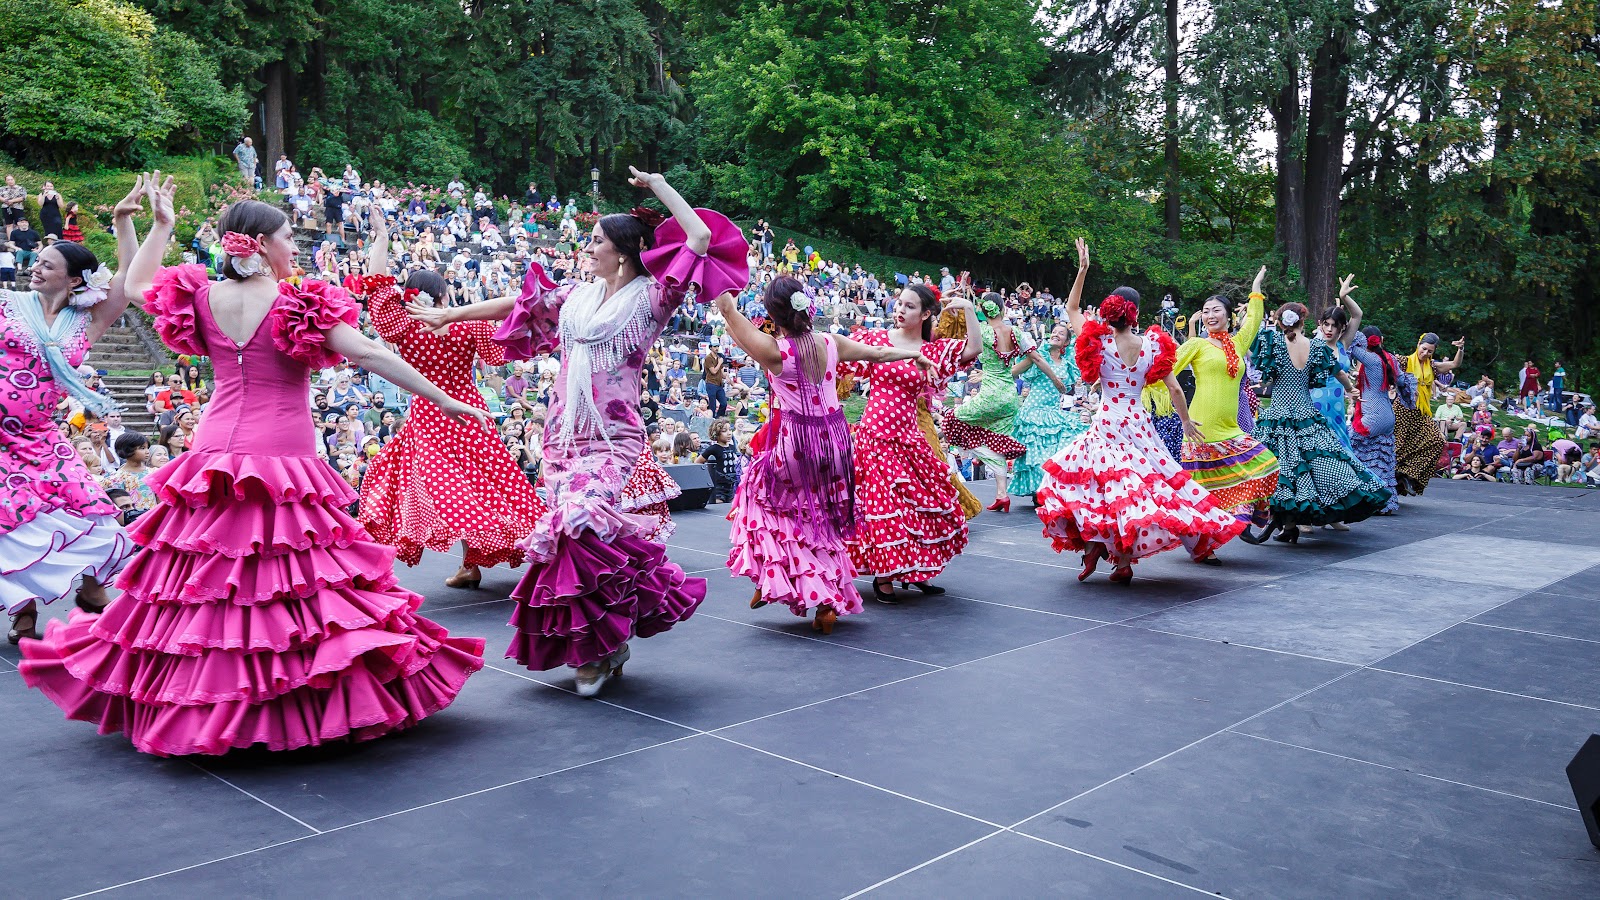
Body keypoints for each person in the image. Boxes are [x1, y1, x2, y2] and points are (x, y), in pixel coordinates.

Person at [20, 181, 488, 756]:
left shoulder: (202, 296)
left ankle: (209, 699)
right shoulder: (300, 302)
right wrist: (443, 398)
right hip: (281, 453)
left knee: (210, 582)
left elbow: (137, 285)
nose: (295, 246)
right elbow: (368, 353)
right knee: (291, 580)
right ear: (263, 244)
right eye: (289, 237)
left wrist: (157, 227)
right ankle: (288, 700)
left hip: (214, 450)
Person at [408, 167, 747, 698]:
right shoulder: (576, 295)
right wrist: (451, 314)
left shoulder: (654, 298)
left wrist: (658, 185)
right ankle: (606, 644)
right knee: (579, 541)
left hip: (614, 438)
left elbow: (700, 237)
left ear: (626, 251)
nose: (588, 248)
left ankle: (592, 652)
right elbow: (517, 305)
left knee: (578, 522)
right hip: (562, 438)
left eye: (596, 240)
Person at [717, 277, 936, 631]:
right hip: (835, 442)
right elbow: (879, 354)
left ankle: (772, 576)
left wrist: (713, 273)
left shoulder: (775, 351)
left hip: (797, 443)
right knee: (822, 518)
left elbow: (728, 312)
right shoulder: (831, 342)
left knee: (757, 496)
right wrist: (914, 355)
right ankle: (825, 606)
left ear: (774, 313)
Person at [355, 207, 546, 587]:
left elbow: (376, 286)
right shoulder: (468, 322)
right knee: (488, 484)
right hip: (470, 410)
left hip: (429, 413)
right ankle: (523, 548)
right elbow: (498, 354)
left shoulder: (403, 326)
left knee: (446, 488)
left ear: (410, 295)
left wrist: (382, 237)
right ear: (444, 294)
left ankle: (466, 565)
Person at [1035, 243, 1244, 584]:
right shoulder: (1152, 345)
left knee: (1101, 488)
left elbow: (1071, 307)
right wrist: (1186, 421)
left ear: (1109, 311)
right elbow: (1176, 389)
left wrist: (1083, 269)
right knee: (1134, 491)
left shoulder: (1099, 342)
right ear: (1135, 313)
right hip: (1138, 425)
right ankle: (1121, 560)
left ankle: (1096, 546)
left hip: (1107, 424)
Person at [0, 178, 146, 643]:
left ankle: (90, 588)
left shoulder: (86, 321)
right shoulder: (6, 304)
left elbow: (130, 278)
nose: (36, 268)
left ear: (75, 278)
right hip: (0, 440)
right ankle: (22, 610)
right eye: (37, 262)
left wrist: (122, 221)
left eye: (48, 265)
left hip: (42, 436)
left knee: (88, 510)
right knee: (11, 521)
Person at [840, 283, 981, 603]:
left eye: (910, 306)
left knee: (922, 504)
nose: (900, 310)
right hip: (875, 437)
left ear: (926, 314)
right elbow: (840, 355)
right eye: (899, 303)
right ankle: (884, 577)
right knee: (884, 507)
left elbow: (973, 349)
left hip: (909, 437)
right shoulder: (876, 339)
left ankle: (917, 569)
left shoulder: (933, 350)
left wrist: (969, 309)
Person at [1246, 302, 1392, 543]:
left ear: (1280, 322)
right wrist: (1351, 389)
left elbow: (1252, 353)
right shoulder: (1315, 346)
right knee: (1314, 466)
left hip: (1279, 416)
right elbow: (1338, 372)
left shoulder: (1275, 343)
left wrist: (1255, 297)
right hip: (1306, 416)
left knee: (1282, 469)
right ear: (1304, 321)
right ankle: (1290, 525)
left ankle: (1287, 524)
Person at [1171, 268, 1280, 527]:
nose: (1210, 315)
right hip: (1202, 428)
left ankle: (1240, 514)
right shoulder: (1197, 344)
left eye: (1216, 310)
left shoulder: (1237, 344)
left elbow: (1253, 320)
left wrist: (1256, 288)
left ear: (1229, 316)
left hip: (1230, 428)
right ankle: (1210, 535)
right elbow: (1165, 370)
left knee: (1267, 464)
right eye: (1206, 311)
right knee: (1202, 494)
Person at [940, 290, 1039, 511]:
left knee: (951, 421)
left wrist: (952, 304)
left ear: (983, 311)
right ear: (1002, 309)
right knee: (997, 441)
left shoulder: (983, 331)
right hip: (1010, 396)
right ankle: (1002, 494)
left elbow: (956, 336)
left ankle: (983, 455)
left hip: (990, 395)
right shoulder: (1015, 331)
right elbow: (1033, 359)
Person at [1009, 322, 1083, 502]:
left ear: (1066, 342)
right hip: (1034, 412)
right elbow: (1019, 372)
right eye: (1054, 331)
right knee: (1036, 456)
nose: (1056, 334)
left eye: (1061, 333)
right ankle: (1039, 492)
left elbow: (1068, 386)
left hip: (1053, 413)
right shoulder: (1039, 356)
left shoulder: (1067, 364)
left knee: (1061, 451)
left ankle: (1052, 489)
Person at [1348, 326, 1405, 513]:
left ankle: (1358, 499)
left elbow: (1348, 344)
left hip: (1373, 415)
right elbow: (1403, 382)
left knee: (1347, 447)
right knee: (1379, 459)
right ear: (1381, 340)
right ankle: (1383, 503)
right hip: (1388, 415)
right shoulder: (1390, 359)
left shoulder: (1370, 359)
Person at [1395, 333, 1461, 494]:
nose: (1425, 353)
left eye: (1430, 351)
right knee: (1399, 448)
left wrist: (1460, 349)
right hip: (1403, 411)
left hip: (1422, 413)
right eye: (1423, 349)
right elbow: (1386, 368)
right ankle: (1394, 479)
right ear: (1418, 345)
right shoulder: (1404, 361)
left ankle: (1408, 475)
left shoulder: (1432, 366)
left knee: (1437, 441)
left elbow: (1455, 364)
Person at [1310, 276, 1359, 450]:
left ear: (1342, 327)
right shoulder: (1312, 346)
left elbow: (1357, 315)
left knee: (1342, 450)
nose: (1329, 329)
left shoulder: (1342, 345)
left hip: (1337, 408)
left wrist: (1344, 296)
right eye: (1326, 324)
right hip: (1315, 404)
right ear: (1320, 325)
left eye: (1334, 325)